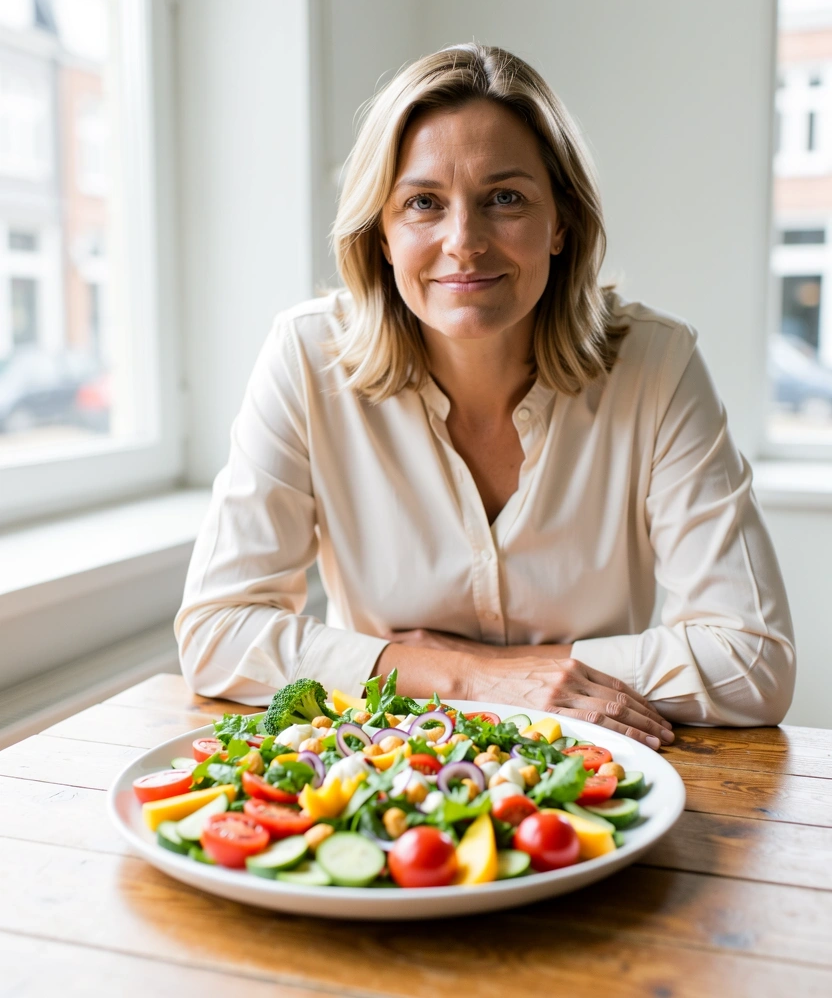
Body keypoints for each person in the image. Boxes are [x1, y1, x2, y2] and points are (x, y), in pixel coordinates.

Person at [174, 44, 795, 746]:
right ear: (381, 231)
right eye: (423, 203)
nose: (463, 242)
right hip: (378, 777)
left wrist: (475, 671)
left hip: (589, 773)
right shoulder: (304, 357)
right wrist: (471, 679)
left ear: (559, 222)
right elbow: (216, 633)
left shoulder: (658, 365)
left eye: (505, 198)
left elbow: (755, 660)